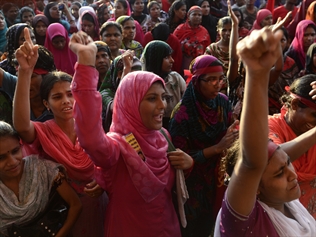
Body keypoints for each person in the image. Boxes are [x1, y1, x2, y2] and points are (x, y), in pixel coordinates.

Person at [70, 30, 193, 236]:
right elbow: (90, 139)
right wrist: (85, 67)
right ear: (131, 102)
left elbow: (168, 184)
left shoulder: (163, 136)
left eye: (162, 97)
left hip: (168, 228)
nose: (163, 105)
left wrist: (188, 165)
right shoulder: (117, 146)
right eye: (152, 98)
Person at [215, 24, 316, 237]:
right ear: (255, 187)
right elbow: (253, 162)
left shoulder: (290, 204)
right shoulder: (244, 221)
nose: (292, 174)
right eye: (279, 173)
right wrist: (257, 74)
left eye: (288, 163)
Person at [13, 28, 107, 236]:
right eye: (57, 97)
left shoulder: (90, 128)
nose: (66, 101)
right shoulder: (43, 132)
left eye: (69, 94)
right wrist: (25, 72)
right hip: (61, 213)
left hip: (99, 206)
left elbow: (108, 162)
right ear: (46, 103)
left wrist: (103, 182)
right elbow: (21, 126)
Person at [168, 54, 238, 237]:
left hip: (219, 177)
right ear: (197, 81)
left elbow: (230, 128)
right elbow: (179, 157)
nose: (218, 84)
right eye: (211, 79)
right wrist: (216, 148)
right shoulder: (183, 113)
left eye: (220, 78)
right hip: (194, 185)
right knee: (194, 228)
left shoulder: (222, 102)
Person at [0, 121, 82, 237]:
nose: (12, 161)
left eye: (15, 151)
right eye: (1, 158)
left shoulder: (42, 169)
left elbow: (75, 205)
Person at [268, 74, 316, 218]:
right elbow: (275, 156)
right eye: (314, 115)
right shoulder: (270, 125)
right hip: (281, 215)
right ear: (294, 104)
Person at [141, 40, 186, 127]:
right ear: (155, 59)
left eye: (171, 56)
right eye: (166, 57)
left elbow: (186, 102)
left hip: (176, 124)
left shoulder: (175, 78)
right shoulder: (143, 83)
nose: (172, 60)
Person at [268, 27, 299, 115]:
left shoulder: (291, 62)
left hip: (288, 106)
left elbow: (294, 85)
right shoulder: (264, 62)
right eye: (275, 40)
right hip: (268, 108)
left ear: (287, 41)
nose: (278, 44)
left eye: (282, 40)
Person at [174, 6, 211, 70]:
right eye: (194, 14)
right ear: (188, 17)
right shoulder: (180, 29)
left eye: (199, 15)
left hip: (200, 64)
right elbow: (174, 46)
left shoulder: (204, 31)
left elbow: (208, 49)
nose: (197, 17)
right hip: (183, 62)